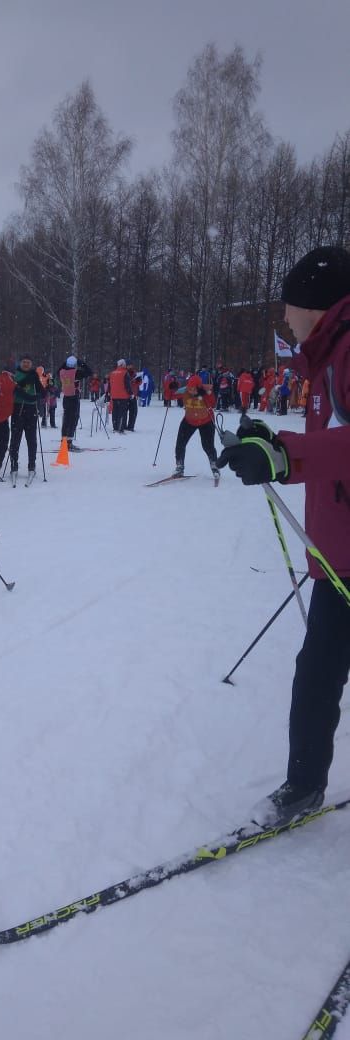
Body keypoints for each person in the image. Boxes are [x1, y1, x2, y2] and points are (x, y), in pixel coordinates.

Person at [217, 246, 350, 827]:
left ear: (313, 307)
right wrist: (277, 444)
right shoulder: (328, 359)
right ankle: (303, 786)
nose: (284, 321)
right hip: (336, 555)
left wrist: (284, 455)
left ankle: (303, 783)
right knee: (317, 673)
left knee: (318, 672)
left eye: (288, 309)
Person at [172, 374, 220, 481]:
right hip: (189, 421)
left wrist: (205, 395)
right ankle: (179, 467)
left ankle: (214, 466)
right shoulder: (185, 391)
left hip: (206, 422)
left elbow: (213, 404)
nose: (191, 391)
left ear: (199, 387)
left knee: (207, 446)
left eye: (193, 389)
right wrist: (172, 387)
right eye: (189, 388)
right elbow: (169, 396)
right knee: (180, 443)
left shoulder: (206, 392)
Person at [9, 355, 43, 482]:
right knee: (15, 439)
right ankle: (14, 465)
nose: (26, 364)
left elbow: (41, 390)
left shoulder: (34, 375)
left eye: (28, 362)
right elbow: (13, 390)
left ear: (31, 364)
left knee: (31, 440)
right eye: (24, 362)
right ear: (21, 363)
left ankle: (31, 466)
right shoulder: (16, 374)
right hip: (18, 408)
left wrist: (40, 396)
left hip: (31, 410)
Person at [58, 356, 91, 450]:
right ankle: (69, 442)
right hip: (74, 397)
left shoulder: (62, 372)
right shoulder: (76, 373)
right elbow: (89, 372)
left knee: (66, 420)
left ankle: (63, 441)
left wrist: (64, 363)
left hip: (66, 397)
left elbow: (59, 370)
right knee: (73, 420)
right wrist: (82, 363)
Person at [108, 359, 131, 433]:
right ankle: (120, 428)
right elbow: (127, 385)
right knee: (122, 412)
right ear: (122, 365)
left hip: (114, 395)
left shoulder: (112, 373)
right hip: (123, 396)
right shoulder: (125, 373)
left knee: (115, 411)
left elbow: (109, 384)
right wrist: (130, 393)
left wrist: (109, 392)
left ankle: (115, 427)